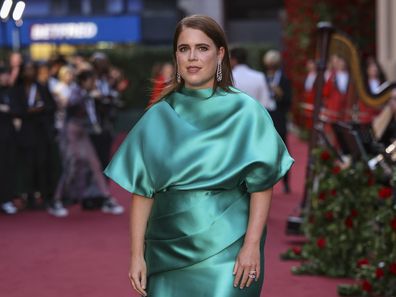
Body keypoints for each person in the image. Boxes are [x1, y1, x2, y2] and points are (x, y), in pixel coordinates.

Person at [104, 15, 293, 297]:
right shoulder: (157, 116)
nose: (192, 57)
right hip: (165, 250)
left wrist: (252, 246)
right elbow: (143, 193)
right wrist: (136, 255)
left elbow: (261, 185)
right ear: (176, 56)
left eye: (202, 48)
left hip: (229, 250)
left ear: (220, 54)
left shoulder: (246, 112)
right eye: (184, 49)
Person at [51, 70, 124, 217]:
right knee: (71, 164)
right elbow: (70, 104)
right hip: (70, 132)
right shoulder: (76, 91)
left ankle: (107, 198)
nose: (94, 83)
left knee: (95, 164)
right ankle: (56, 200)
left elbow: (95, 111)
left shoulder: (90, 93)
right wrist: (87, 96)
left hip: (83, 132)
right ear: (83, 81)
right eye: (91, 80)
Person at [262, 49, 293, 193]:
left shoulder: (285, 79)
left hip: (280, 118)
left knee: (282, 151)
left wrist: (280, 93)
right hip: (266, 118)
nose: (271, 66)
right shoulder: (262, 78)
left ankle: (286, 182)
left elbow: (289, 100)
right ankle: (265, 182)